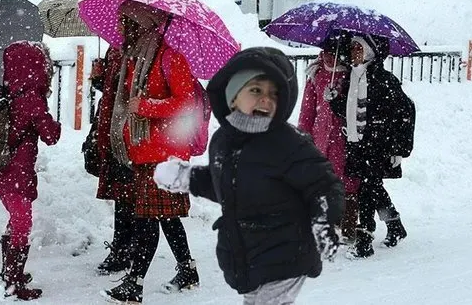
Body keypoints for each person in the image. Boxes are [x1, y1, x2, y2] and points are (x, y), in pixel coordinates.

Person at [154, 47, 344, 305]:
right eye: (256, 90)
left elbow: (323, 184)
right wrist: (187, 178)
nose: (266, 99)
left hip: (286, 251)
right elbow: (227, 185)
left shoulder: (289, 143)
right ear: (232, 95)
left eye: (273, 93)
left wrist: (324, 220)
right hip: (249, 253)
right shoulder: (224, 140)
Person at [101, 1, 199, 304]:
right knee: (166, 218)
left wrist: (145, 107)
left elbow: (186, 104)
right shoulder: (138, 58)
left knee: (147, 218)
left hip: (166, 156)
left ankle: (135, 283)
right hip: (146, 152)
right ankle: (188, 270)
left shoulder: (170, 58)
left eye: (124, 23)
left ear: (139, 24)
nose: (119, 30)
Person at [0, 41, 61, 300]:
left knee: (16, 220)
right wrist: (53, 123)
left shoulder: (3, 94)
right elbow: (51, 136)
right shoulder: (31, 99)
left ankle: (10, 274)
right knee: (22, 224)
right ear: (37, 67)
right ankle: (13, 283)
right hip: (16, 172)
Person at [326, 34, 415, 259]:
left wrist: (399, 148)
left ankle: (365, 238)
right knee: (372, 186)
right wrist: (334, 99)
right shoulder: (350, 79)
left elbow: (405, 112)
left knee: (367, 189)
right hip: (356, 144)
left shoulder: (384, 80)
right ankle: (394, 223)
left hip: (378, 144)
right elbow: (348, 111)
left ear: (370, 52)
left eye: (359, 47)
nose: (354, 51)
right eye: (353, 47)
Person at [298, 31, 361, 242]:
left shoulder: (352, 75)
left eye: (332, 52)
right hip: (320, 139)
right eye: (325, 51)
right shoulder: (316, 74)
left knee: (348, 181)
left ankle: (349, 223)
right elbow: (307, 111)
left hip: (344, 139)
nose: (327, 56)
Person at [87, 46, 137, 275]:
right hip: (112, 126)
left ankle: (124, 249)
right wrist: (99, 76)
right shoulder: (115, 49)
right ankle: (125, 247)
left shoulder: (136, 50)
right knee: (122, 193)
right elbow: (108, 88)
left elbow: (128, 88)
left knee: (127, 192)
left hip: (126, 128)